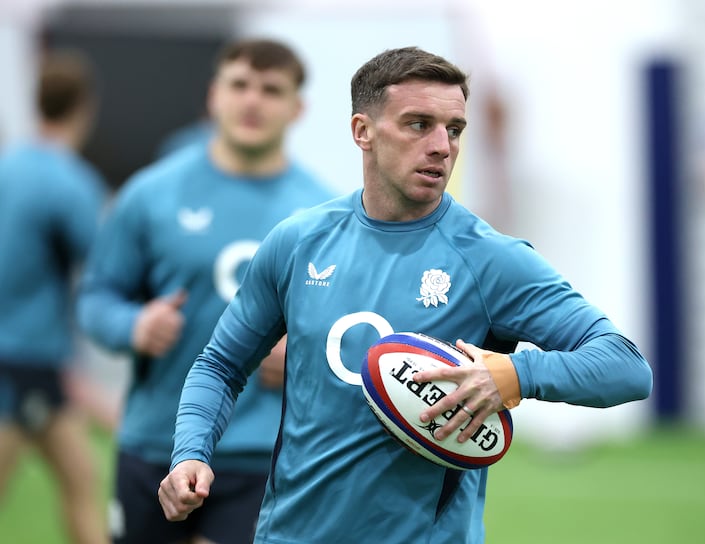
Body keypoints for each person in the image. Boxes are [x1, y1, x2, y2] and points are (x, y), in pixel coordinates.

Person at [157, 46, 653, 543]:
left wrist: (516, 374)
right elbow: (220, 365)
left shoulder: (490, 260)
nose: (442, 145)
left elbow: (626, 367)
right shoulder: (298, 242)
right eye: (419, 124)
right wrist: (191, 454)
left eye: (454, 129)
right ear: (363, 131)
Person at [77, 38, 335, 544]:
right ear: (214, 95)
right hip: (154, 442)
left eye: (271, 89)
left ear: (298, 107)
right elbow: (95, 297)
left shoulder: (323, 215)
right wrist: (133, 325)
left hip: (263, 454)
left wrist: (309, 351)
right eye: (239, 85)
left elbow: (352, 330)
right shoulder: (151, 195)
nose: (253, 101)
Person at [0, 49, 108, 544]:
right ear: (84, 107)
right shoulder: (71, 182)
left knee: (80, 478)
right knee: (78, 484)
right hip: (24, 355)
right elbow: (105, 267)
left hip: (30, 357)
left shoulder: (8, 167)